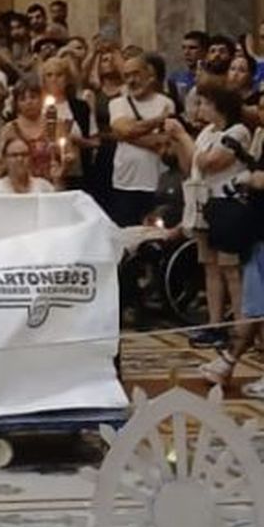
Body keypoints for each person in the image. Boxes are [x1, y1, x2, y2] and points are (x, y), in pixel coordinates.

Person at [184, 83, 252, 374]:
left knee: (230, 269)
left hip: (229, 205)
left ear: (218, 105)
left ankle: (239, 328)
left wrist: (180, 137)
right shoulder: (205, 133)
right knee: (210, 266)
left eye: (204, 103)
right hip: (204, 202)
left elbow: (212, 162)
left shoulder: (237, 132)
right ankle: (214, 325)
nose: (199, 109)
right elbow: (191, 163)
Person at [107, 48, 178, 227]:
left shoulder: (166, 103)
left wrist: (127, 135)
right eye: (127, 75)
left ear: (149, 75)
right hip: (126, 184)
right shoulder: (117, 104)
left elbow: (164, 141)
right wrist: (158, 120)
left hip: (156, 182)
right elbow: (124, 130)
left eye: (136, 74)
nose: (132, 80)